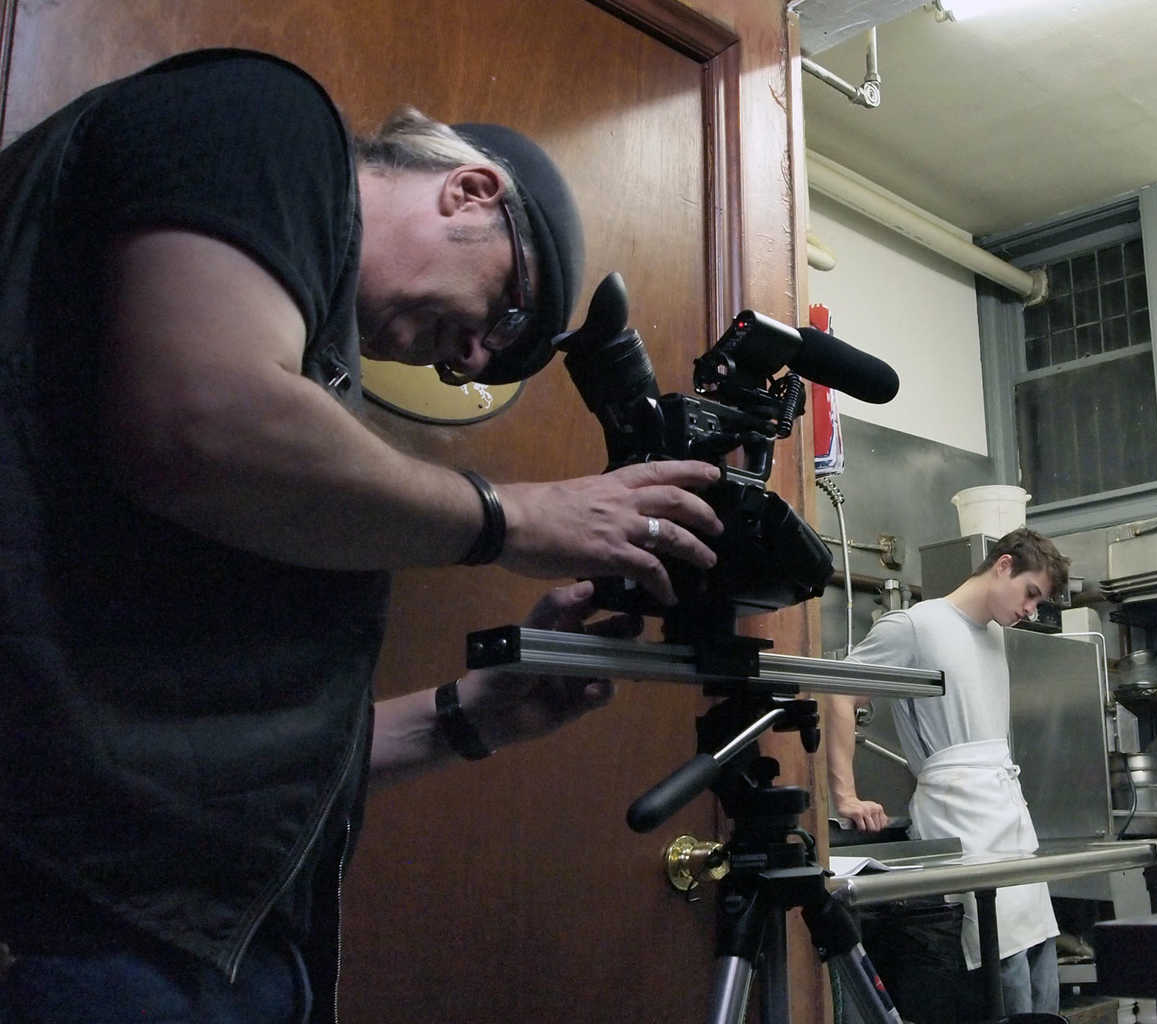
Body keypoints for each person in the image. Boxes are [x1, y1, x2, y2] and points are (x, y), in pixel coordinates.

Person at [0, 48, 726, 1022]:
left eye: (489, 361)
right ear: (470, 191)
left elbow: (177, 743)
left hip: (195, 939)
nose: (472, 358)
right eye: (502, 313)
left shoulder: (302, 368)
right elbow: (200, 422)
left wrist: (467, 716)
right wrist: (512, 516)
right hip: (87, 936)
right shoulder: (264, 117)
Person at [826, 528, 1072, 1020]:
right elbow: (839, 690)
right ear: (1003, 565)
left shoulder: (996, 636)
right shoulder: (916, 625)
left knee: (1041, 963)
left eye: (1039, 602)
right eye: (1030, 593)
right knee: (1001, 970)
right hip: (957, 815)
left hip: (1008, 813)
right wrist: (845, 796)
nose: (1031, 610)